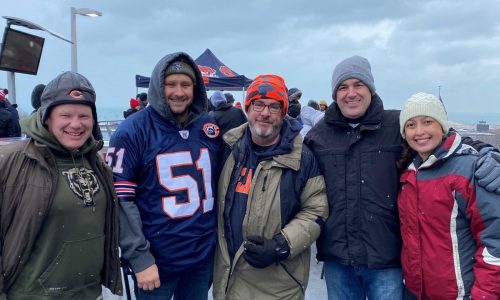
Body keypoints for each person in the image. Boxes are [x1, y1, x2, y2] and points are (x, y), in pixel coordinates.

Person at [304, 55, 500, 300]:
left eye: (358, 85)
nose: (351, 93)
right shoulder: (318, 136)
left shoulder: (394, 124)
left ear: (371, 89)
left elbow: (440, 138)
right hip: (338, 260)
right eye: (343, 87)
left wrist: (486, 153)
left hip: (387, 260)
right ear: (335, 94)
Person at [0, 71, 122, 299]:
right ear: (47, 117)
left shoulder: (96, 163)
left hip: (89, 293)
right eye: (65, 115)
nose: (76, 124)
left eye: (84, 116)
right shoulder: (11, 161)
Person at [108, 52, 220, 300]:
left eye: (185, 84)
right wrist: (139, 257)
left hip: (201, 257)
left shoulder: (208, 128)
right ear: (158, 86)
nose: (178, 92)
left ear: (195, 88)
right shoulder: (131, 131)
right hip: (156, 261)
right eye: (171, 84)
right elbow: (121, 201)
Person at [213, 74, 328, 300]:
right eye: (258, 104)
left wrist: (281, 245)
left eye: (274, 107)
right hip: (227, 280)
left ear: (284, 112)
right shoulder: (227, 148)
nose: (265, 113)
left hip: (277, 285)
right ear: (247, 108)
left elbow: (317, 210)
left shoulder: (302, 158)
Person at [397, 92, 500, 299]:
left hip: (460, 293)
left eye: (428, 122)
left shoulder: (469, 169)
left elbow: (494, 241)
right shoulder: (408, 172)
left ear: (442, 126)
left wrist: (485, 294)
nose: (419, 132)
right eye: (411, 125)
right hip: (415, 292)